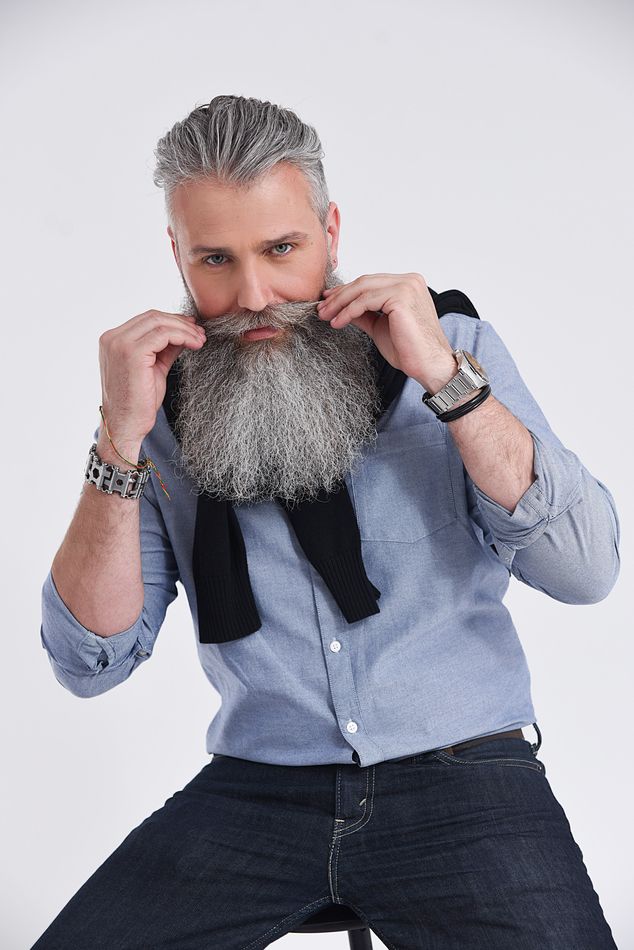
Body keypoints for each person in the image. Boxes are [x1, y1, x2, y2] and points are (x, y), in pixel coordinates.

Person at [33, 95, 620, 949]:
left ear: (330, 230)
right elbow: (88, 662)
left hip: (465, 777)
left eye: (281, 249)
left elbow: (585, 570)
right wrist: (118, 440)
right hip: (257, 790)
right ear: (177, 255)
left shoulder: (449, 344)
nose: (254, 297)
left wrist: (444, 380)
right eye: (215, 260)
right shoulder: (154, 401)